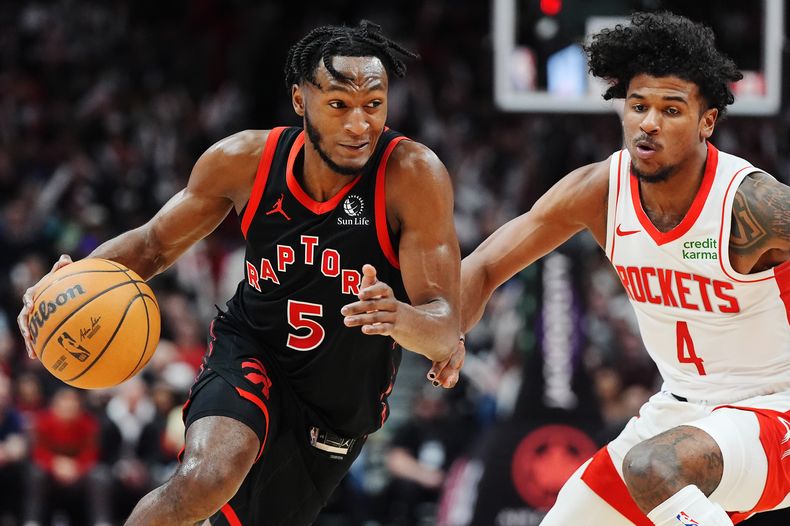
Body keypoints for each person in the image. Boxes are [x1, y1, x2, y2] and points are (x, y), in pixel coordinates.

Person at [18, 20, 464, 526]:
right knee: (206, 476)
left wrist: (398, 317)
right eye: (339, 105)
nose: (360, 124)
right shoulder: (245, 161)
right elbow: (152, 244)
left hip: (336, 408)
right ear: (300, 101)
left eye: (373, 105)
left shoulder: (413, 175)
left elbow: (444, 327)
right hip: (253, 350)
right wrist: (66, 287)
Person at [458, 12, 789, 526]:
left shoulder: (755, 207)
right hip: (679, 412)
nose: (649, 122)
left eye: (671, 109)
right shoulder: (600, 191)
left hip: (776, 409)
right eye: (639, 106)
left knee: (656, 464)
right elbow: (481, 268)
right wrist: (440, 329)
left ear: (708, 120)